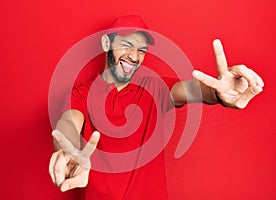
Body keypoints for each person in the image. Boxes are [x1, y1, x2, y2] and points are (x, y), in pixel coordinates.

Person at [49, 15, 264, 199]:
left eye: (141, 49)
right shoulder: (81, 94)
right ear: (107, 44)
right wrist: (66, 148)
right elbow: (69, 121)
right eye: (127, 45)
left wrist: (218, 93)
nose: (134, 56)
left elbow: (189, 90)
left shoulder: (154, 87)